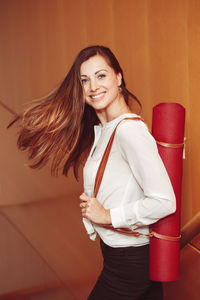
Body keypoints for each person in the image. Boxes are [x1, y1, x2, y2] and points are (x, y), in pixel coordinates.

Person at [11, 45, 176, 300]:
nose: (92, 86)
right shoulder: (106, 130)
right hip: (118, 256)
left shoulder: (128, 131)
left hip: (129, 261)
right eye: (84, 80)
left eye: (101, 76)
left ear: (118, 78)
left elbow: (165, 201)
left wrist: (108, 215)